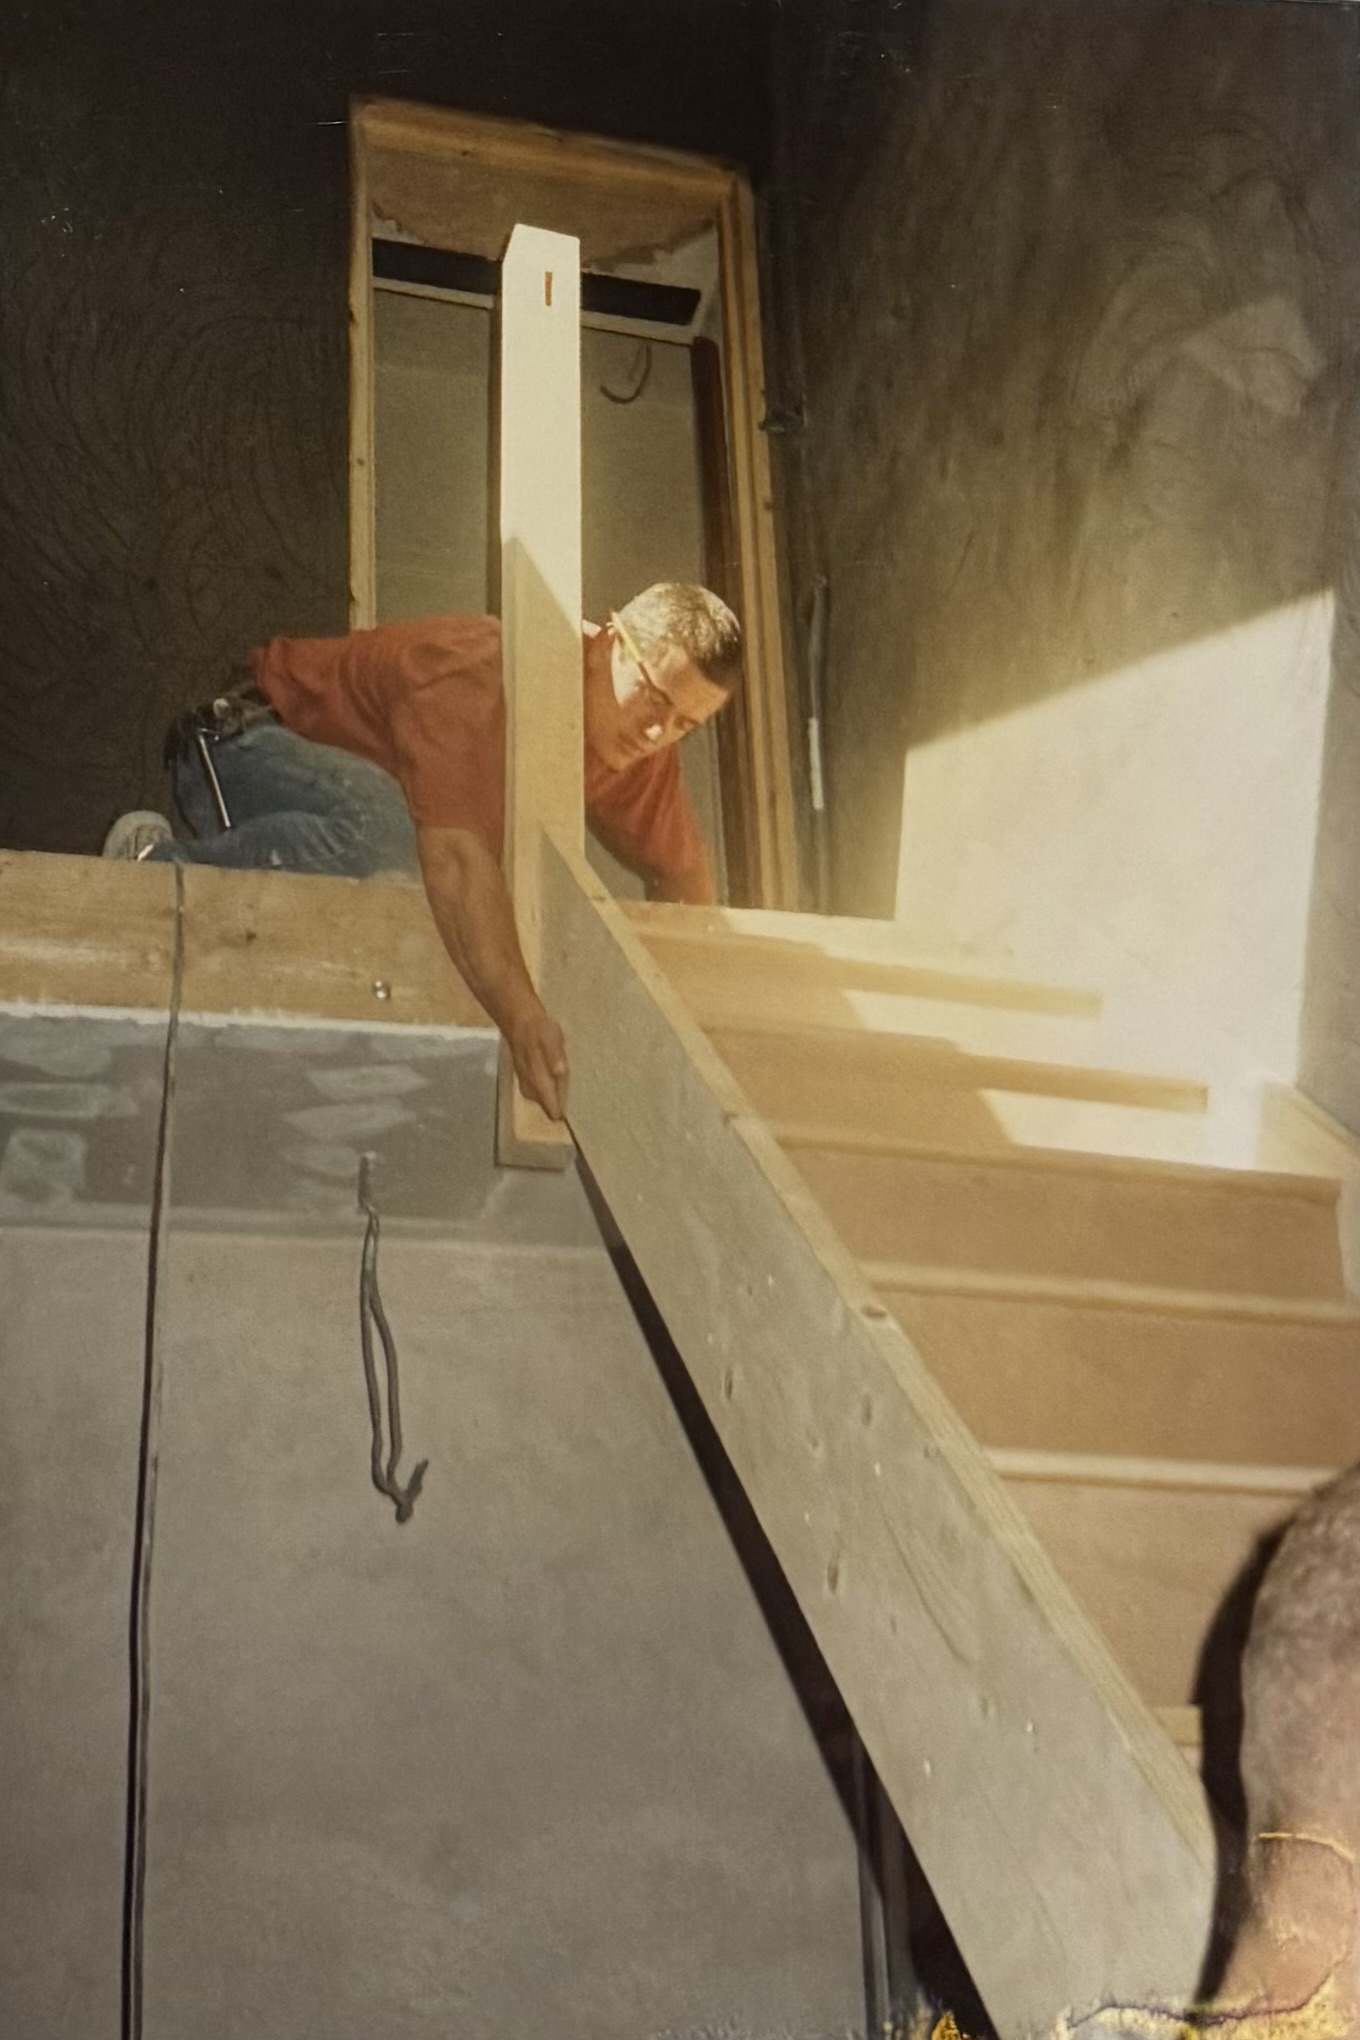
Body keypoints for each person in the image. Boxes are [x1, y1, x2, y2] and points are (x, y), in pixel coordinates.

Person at [102, 584, 740, 1123]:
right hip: (241, 746)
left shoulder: (639, 749)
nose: (659, 733)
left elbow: (686, 875)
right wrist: (522, 1020)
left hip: (349, 847)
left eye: (686, 723)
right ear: (608, 642)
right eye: (655, 697)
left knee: (445, 895)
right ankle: (150, 873)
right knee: (399, 842)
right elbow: (456, 862)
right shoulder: (488, 669)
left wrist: (699, 1025)